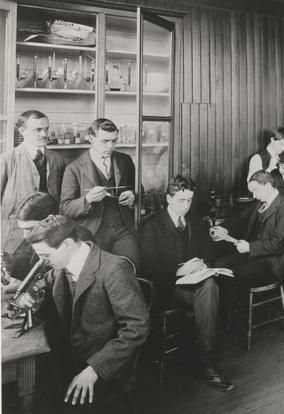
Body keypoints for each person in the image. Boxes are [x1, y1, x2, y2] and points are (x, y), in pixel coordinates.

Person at [25, 215, 149, 413]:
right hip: (71, 362)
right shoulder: (60, 269)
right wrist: (30, 296)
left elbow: (137, 328)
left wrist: (95, 368)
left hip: (104, 373)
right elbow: (43, 290)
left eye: (46, 256)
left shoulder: (114, 269)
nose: (43, 262)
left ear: (66, 244)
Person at [139, 176, 233, 391]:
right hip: (167, 288)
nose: (186, 206)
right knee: (210, 292)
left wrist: (203, 264)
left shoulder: (196, 222)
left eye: (189, 200)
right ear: (168, 198)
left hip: (195, 284)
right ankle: (207, 361)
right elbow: (148, 268)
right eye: (181, 200)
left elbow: (208, 252)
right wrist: (179, 270)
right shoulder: (151, 226)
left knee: (210, 284)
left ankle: (205, 357)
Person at [60, 118, 139, 269]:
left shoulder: (125, 161)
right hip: (92, 233)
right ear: (91, 138)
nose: (111, 146)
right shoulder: (74, 168)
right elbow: (65, 208)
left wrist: (132, 195)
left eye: (114, 141)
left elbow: (138, 189)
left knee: (129, 270)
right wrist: (87, 199)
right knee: (97, 275)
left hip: (124, 229)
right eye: (105, 141)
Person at [213, 170, 284, 290]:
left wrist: (250, 247)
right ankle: (233, 304)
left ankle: (235, 305)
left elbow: (279, 244)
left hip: (271, 264)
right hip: (252, 256)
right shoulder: (260, 203)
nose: (254, 195)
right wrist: (224, 229)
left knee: (231, 273)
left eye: (255, 190)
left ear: (268, 186)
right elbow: (239, 219)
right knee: (219, 265)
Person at [1, 110, 66, 263]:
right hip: (14, 239)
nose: (44, 134)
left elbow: (63, 200)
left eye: (46, 129)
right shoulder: (7, 161)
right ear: (22, 131)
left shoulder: (58, 161)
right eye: (38, 129)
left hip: (50, 236)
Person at [247, 127, 284, 194]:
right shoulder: (257, 158)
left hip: (282, 202)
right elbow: (251, 187)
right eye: (281, 144)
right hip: (263, 203)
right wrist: (269, 169)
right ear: (272, 140)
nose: (283, 148)